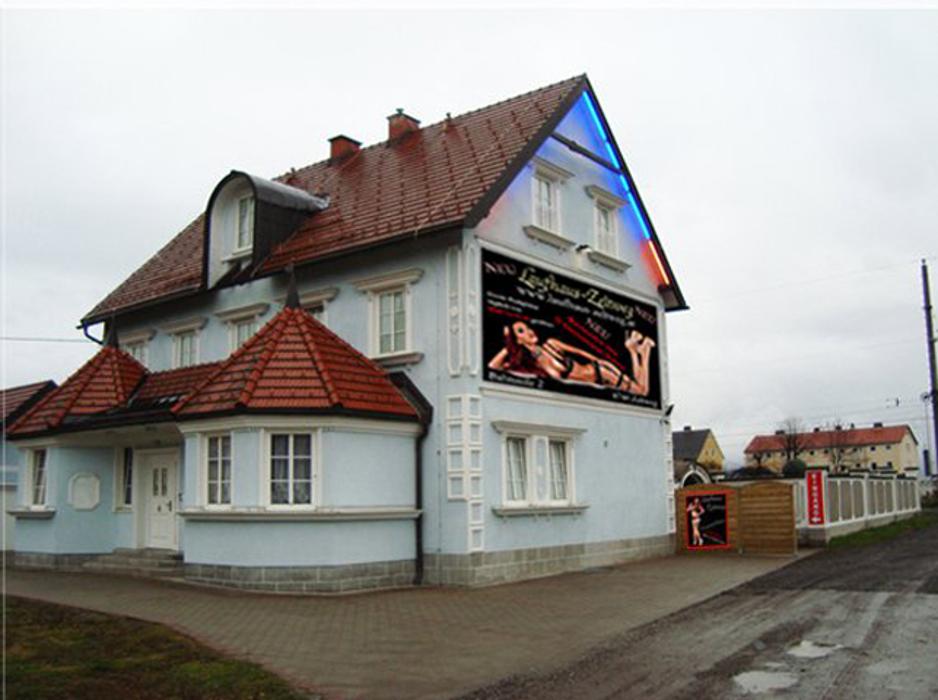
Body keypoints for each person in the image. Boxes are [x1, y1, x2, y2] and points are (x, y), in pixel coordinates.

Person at [487, 320, 654, 396]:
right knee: (639, 389)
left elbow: (579, 352)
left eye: (527, 327)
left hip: (600, 371)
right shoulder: (531, 364)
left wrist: (599, 361)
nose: (529, 331)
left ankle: (639, 351)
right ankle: (636, 349)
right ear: (517, 340)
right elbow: (493, 366)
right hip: (596, 382)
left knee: (642, 391)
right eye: (521, 331)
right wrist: (508, 344)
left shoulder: (551, 344)